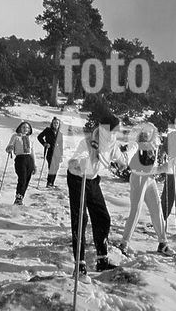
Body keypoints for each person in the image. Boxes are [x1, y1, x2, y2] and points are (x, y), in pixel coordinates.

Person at [67, 113, 128, 277]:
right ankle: (79, 264)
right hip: (78, 179)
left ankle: (102, 259)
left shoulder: (111, 143)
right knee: (80, 220)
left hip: (92, 180)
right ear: (106, 129)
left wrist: (122, 163)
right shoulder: (88, 141)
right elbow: (77, 157)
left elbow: (119, 157)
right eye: (115, 129)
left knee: (103, 218)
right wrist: (77, 162)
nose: (118, 132)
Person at [119, 123, 176, 256]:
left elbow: (153, 167)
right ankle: (124, 243)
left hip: (150, 180)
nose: (146, 134)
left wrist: (169, 165)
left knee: (157, 210)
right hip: (138, 179)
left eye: (149, 132)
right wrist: (162, 168)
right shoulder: (135, 146)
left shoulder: (153, 146)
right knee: (136, 210)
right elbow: (138, 167)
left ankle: (163, 243)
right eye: (144, 132)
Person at [6, 121, 37, 205]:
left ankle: (21, 198)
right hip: (20, 159)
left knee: (27, 180)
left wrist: (34, 165)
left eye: (27, 128)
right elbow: (9, 146)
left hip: (29, 159)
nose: (25, 129)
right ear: (20, 128)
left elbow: (32, 152)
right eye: (23, 127)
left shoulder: (30, 138)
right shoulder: (15, 136)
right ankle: (18, 197)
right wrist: (10, 148)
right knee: (22, 179)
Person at [37, 117, 64, 188]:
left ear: (59, 124)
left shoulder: (60, 133)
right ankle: (49, 183)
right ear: (52, 123)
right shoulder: (48, 130)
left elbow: (61, 145)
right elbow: (39, 137)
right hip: (49, 151)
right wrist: (44, 143)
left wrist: (61, 155)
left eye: (57, 123)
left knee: (56, 168)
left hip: (57, 152)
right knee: (52, 166)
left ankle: (52, 183)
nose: (55, 124)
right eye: (54, 123)